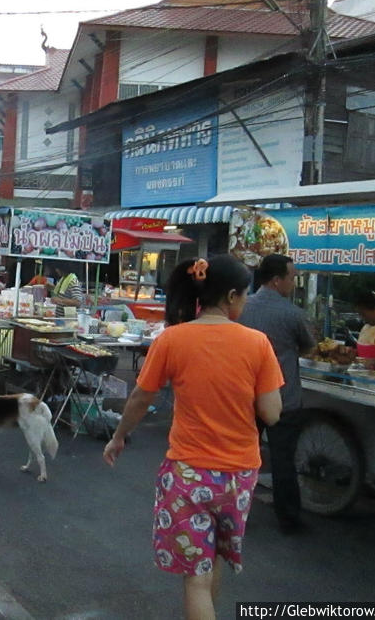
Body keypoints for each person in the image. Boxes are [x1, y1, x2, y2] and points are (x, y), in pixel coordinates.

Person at [103, 256, 283, 620]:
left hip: (188, 473)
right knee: (213, 559)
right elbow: (272, 413)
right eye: (245, 296)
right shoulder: (258, 343)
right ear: (231, 296)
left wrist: (119, 437)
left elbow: (141, 397)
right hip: (239, 475)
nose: (245, 302)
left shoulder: (173, 338)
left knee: (195, 579)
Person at [239, 254, 316, 535]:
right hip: (283, 397)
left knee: (242, 455)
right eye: (291, 277)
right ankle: (289, 520)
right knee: (284, 460)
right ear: (276, 280)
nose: (293, 283)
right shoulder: (292, 314)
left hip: (246, 394)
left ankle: (233, 509)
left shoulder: (242, 307)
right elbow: (309, 347)